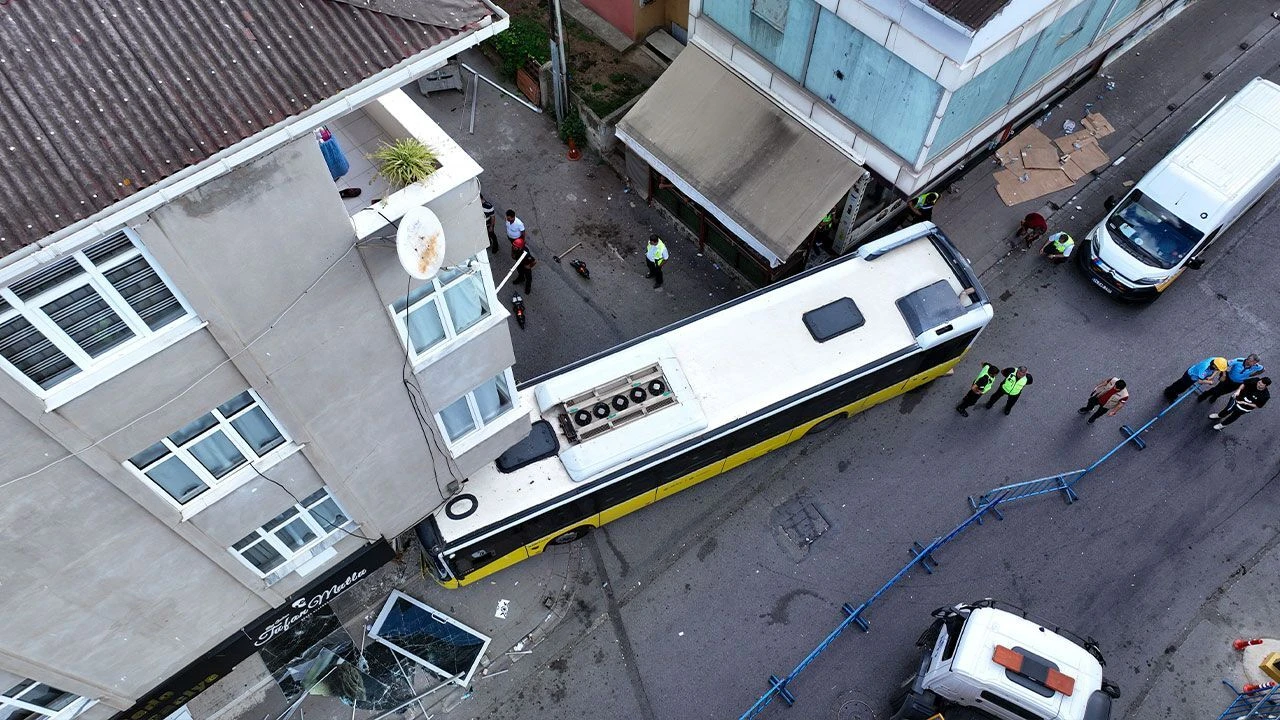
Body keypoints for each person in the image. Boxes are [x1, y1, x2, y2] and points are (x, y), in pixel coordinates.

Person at [1198, 354, 1263, 403]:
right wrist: (1224, 375)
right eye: (1253, 362)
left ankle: (1215, 396)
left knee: (1224, 392)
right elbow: (1224, 365)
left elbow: (1262, 370)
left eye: (1255, 363)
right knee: (1217, 389)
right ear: (1248, 359)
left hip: (1237, 383)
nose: (1254, 364)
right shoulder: (1238, 361)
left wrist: (1252, 375)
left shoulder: (1256, 366)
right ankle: (1204, 395)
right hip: (1228, 379)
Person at [1163, 356, 1228, 401]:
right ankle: (1168, 393)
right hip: (1190, 377)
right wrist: (1209, 382)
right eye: (1218, 368)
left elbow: (1217, 369)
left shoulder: (1216, 360)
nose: (1219, 370)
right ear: (1214, 365)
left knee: (1180, 384)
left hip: (1195, 373)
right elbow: (1200, 381)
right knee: (1181, 387)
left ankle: (1171, 391)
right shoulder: (1204, 368)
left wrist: (1212, 376)